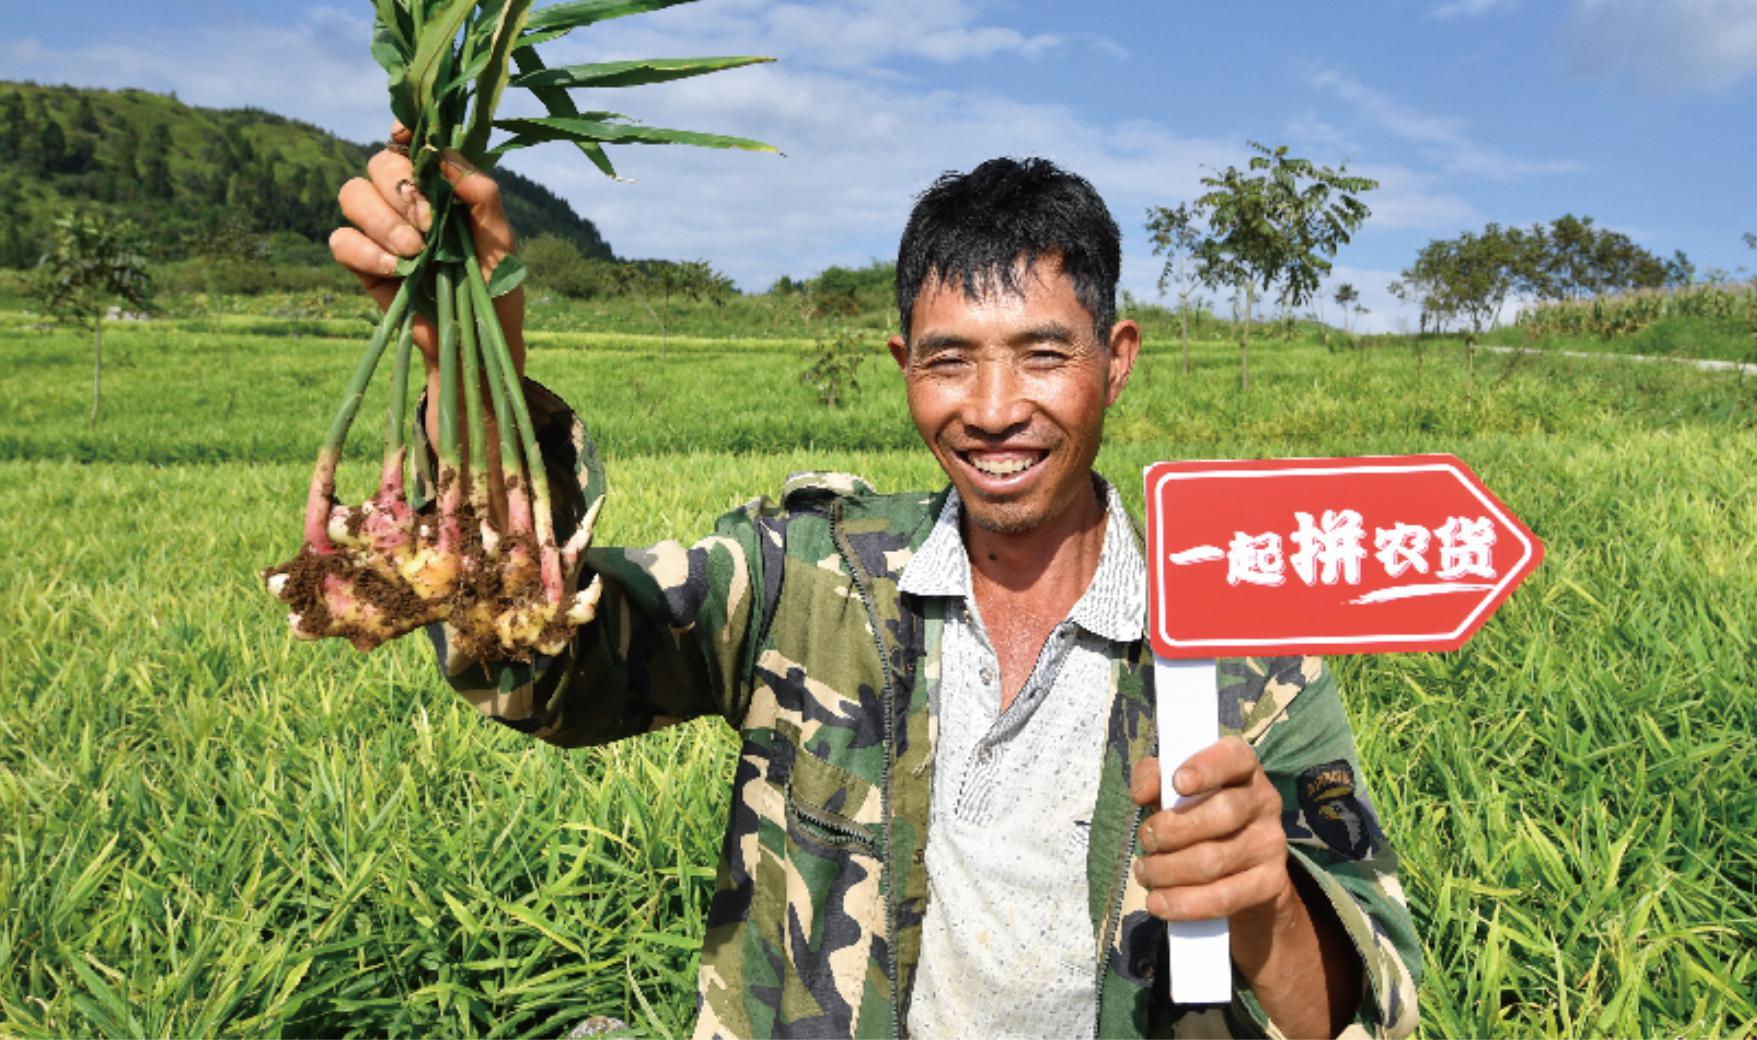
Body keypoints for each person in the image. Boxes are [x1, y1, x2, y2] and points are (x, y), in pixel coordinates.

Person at [329, 130, 1422, 1038]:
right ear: (903, 363)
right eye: (951, 360)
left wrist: (1266, 902)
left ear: (1116, 357)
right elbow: (545, 665)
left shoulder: (1240, 655)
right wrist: (469, 357)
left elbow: (1374, 1005)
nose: (994, 409)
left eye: (1043, 354)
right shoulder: (811, 574)